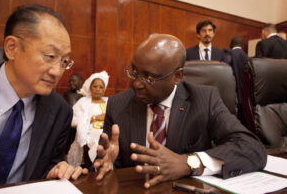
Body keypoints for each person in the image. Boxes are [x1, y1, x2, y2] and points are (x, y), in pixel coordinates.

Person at [94, 34, 267, 189]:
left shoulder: (205, 100)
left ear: (177, 76)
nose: (137, 84)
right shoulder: (118, 104)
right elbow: (107, 163)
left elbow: (252, 148)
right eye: (134, 72)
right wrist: (106, 165)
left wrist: (188, 163)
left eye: (149, 77)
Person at [0, 4, 87, 187]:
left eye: (64, 61)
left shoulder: (60, 112)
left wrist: (56, 172)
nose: (57, 72)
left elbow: (45, 169)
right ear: (12, 48)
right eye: (50, 56)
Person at [67, 71, 109, 169]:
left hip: (106, 134)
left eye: (101, 87)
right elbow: (73, 120)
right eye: (95, 87)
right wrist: (94, 118)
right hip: (88, 135)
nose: (98, 89)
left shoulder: (109, 102)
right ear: (90, 88)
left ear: (104, 89)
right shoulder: (83, 102)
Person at [223, 37, 248, 125]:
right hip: (246, 94)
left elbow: (225, 70)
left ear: (231, 44)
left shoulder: (228, 53)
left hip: (232, 93)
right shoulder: (247, 56)